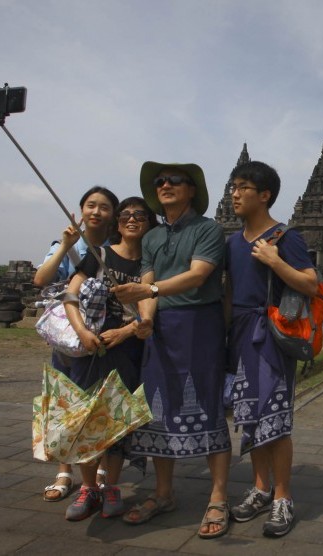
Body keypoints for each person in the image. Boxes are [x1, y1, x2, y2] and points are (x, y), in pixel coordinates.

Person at [112, 162, 231, 539]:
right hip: (161, 327)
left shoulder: (209, 229)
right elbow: (146, 280)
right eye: (159, 181)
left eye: (175, 180)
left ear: (192, 189)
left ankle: (218, 496)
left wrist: (149, 294)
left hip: (199, 324)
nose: (165, 185)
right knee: (156, 409)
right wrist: (144, 317)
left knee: (208, 404)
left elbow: (197, 275)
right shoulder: (151, 237)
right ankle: (163, 493)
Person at [225, 161, 317, 538]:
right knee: (248, 417)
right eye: (232, 186)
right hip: (241, 333)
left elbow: (310, 284)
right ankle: (260, 487)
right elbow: (229, 294)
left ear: (264, 195)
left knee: (275, 420)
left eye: (242, 187)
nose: (234, 193)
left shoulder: (285, 237)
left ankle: (283, 496)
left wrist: (274, 260)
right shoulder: (231, 242)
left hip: (272, 335)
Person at [61, 197, 158, 520]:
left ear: (148, 224)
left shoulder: (148, 265)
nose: (132, 220)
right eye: (126, 215)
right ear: (117, 223)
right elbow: (70, 294)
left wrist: (129, 331)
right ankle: (89, 487)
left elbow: (147, 309)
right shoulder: (99, 255)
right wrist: (81, 332)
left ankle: (112, 486)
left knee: (117, 422)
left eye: (140, 216)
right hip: (92, 348)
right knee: (87, 419)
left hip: (127, 351)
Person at [33, 185, 119, 503]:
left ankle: (99, 470)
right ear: (81, 211)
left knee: (99, 406)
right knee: (63, 405)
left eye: (104, 207)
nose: (96, 212)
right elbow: (41, 280)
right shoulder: (69, 245)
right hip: (69, 338)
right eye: (90, 206)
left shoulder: (118, 248)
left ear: (113, 215)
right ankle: (64, 471)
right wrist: (65, 246)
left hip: (104, 337)